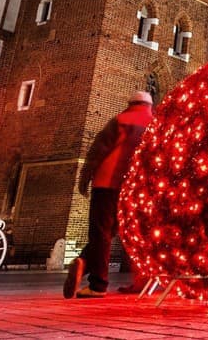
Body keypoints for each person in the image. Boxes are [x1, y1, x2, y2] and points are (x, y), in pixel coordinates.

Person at [64, 90, 153, 298]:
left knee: (100, 232)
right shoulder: (155, 125)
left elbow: (98, 150)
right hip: (134, 188)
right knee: (116, 231)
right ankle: (84, 263)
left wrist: (85, 177)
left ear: (130, 103)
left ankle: (97, 284)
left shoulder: (121, 119)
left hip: (106, 183)